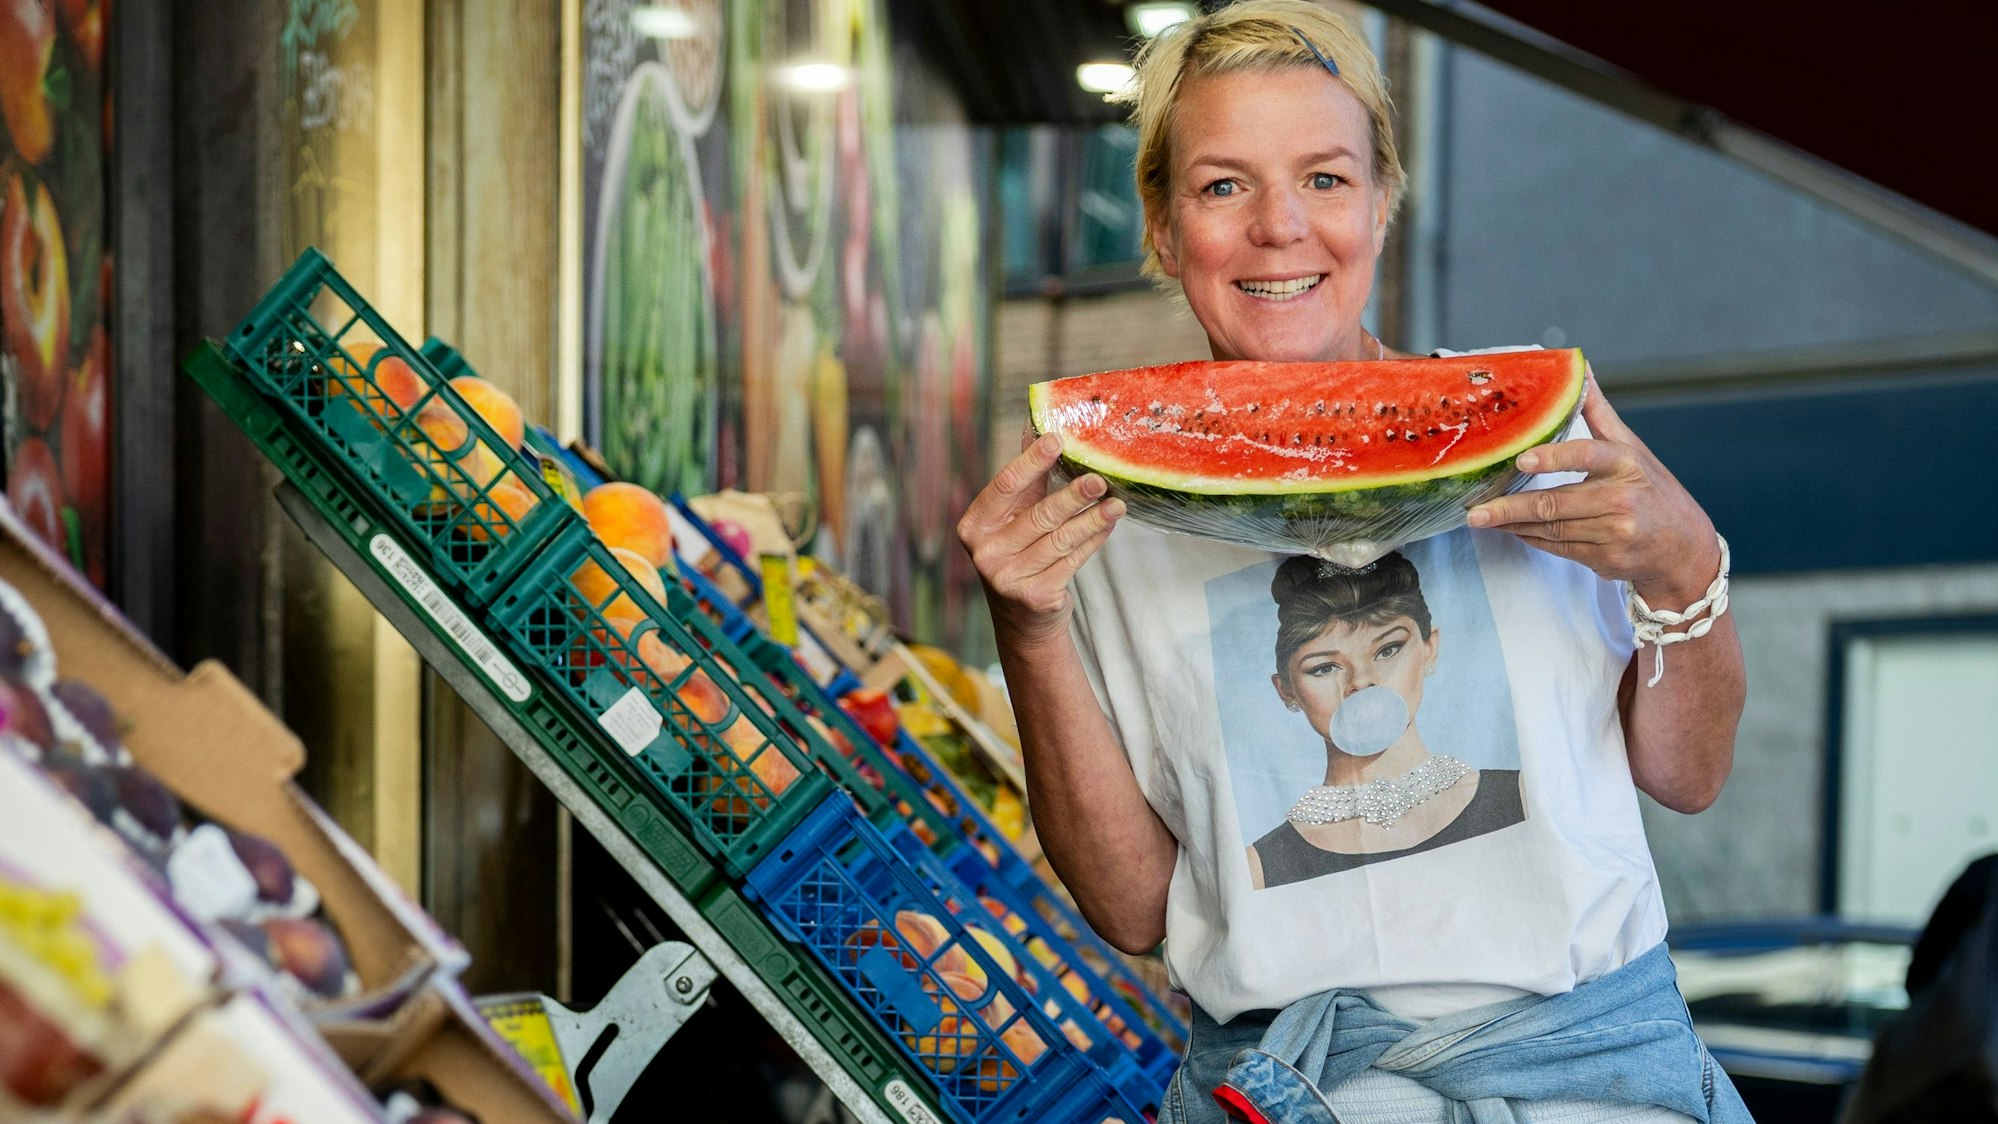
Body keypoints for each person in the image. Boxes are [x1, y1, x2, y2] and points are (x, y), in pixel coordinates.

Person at [955, 1, 1750, 1121]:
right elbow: (1133, 908)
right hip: (1290, 1085)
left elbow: (1690, 773)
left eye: (1326, 178)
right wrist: (1027, 625)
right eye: (1224, 184)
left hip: (1588, 1077)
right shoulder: (1095, 515)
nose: (1281, 226)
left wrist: (1685, 568)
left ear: (1383, 201)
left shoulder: (1547, 440)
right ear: (1166, 226)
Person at [1250, 552, 1523, 890]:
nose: (1361, 681)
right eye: (1324, 667)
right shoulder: (1259, 867)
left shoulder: (1520, 796)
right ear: (1286, 690)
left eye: (1388, 649)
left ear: (1429, 648)